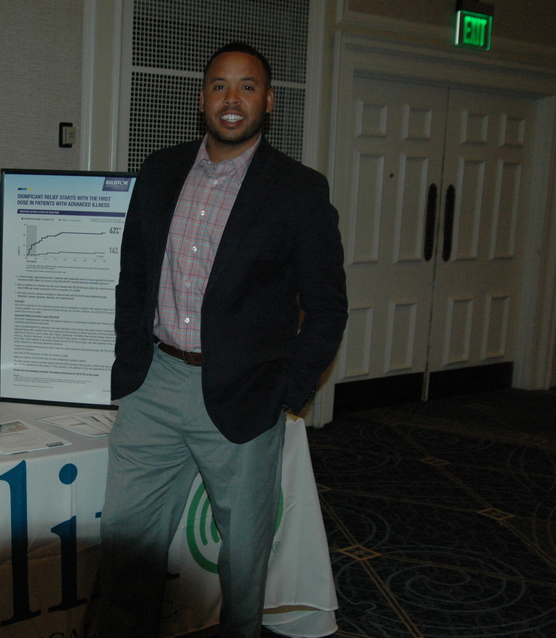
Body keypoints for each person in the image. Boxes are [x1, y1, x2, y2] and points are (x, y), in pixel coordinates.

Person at [97, 41, 348, 638]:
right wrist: (130, 362)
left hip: (244, 396)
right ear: (202, 98)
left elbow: (328, 306)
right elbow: (134, 276)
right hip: (154, 387)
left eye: (247, 86)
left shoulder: (300, 190)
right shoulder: (160, 170)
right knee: (125, 551)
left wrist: (288, 391)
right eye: (219, 86)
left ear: (269, 101)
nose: (232, 99)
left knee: (243, 561)